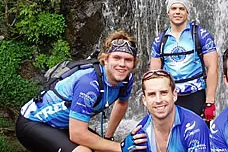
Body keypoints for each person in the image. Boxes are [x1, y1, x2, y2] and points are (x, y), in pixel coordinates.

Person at [15, 30, 147, 152]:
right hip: (34, 123)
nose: (122, 64)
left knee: (101, 147)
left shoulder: (126, 79)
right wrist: (120, 147)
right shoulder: (89, 83)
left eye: (128, 60)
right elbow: (77, 133)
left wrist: (108, 137)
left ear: (133, 64)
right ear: (105, 59)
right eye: (117, 58)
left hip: (65, 125)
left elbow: (122, 104)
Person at [150, 0, 218, 124]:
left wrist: (210, 102)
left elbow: (213, 68)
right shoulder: (160, 40)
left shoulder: (201, 35)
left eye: (181, 9)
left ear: (187, 12)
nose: (177, 12)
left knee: (198, 136)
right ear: (168, 12)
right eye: (174, 8)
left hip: (196, 94)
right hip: (169, 96)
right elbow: (154, 75)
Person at [122, 69, 211, 151]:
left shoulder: (195, 127)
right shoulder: (140, 132)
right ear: (144, 100)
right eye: (152, 94)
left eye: (164, 93)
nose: (158, 100)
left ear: (174, 95)